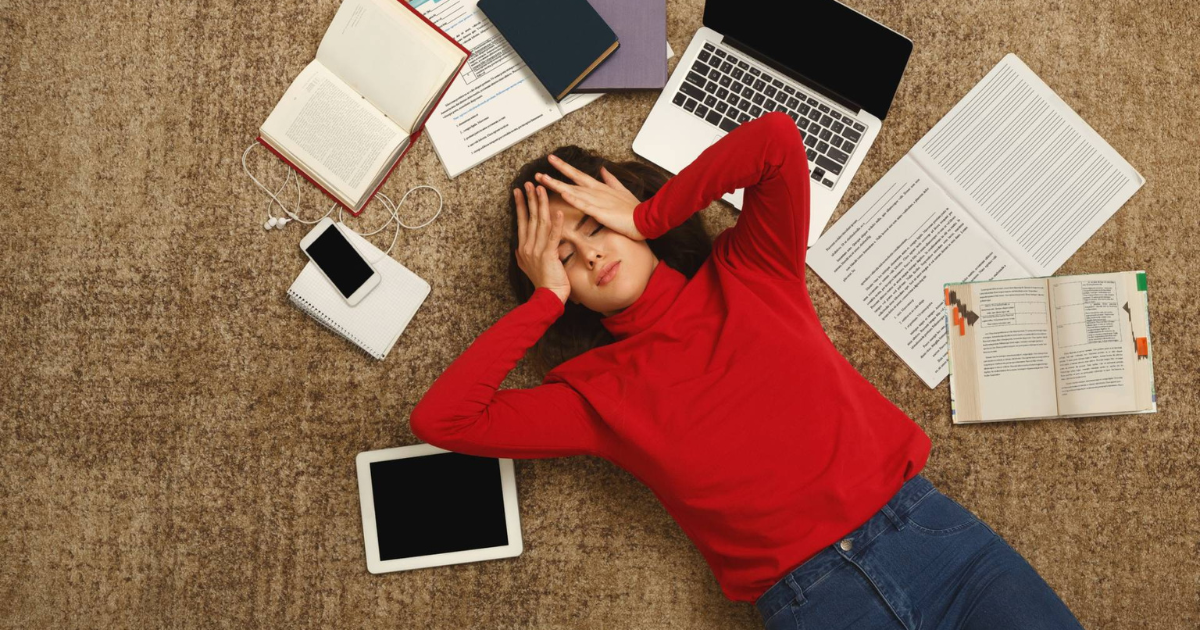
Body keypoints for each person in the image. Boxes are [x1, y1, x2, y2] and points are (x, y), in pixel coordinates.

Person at [409, 113, 1086, 629]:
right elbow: (444, 419)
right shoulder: (590, 396)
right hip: (817, 601)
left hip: (936, 540)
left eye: (594, 224)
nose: (588, 255)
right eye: (561, 255)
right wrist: (544, 300)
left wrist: (648, 211)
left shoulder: (750, 266)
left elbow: (776, 140)